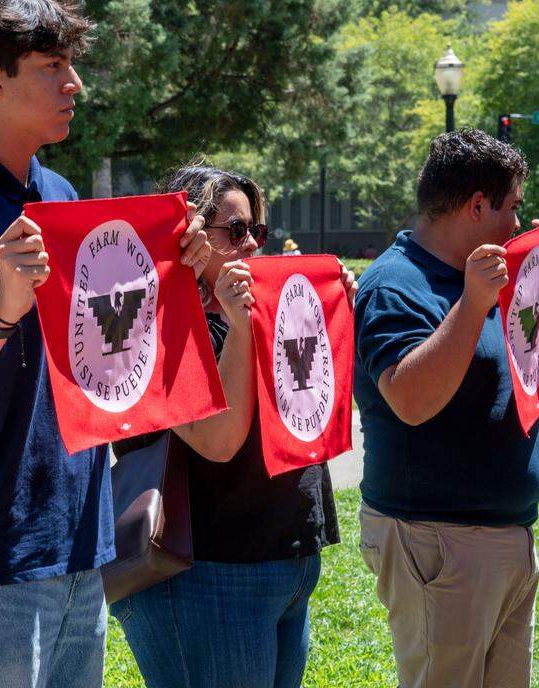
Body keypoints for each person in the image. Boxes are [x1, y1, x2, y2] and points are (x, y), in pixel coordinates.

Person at [0, 2, 210, 686]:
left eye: (72, 65)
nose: (75, 85)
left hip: (73, 547)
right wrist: (1, 310)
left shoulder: (57, 193)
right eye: (52, 66)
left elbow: (102, 357)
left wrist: (176, 274)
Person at [353, 128, 539, 688]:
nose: (516, 223)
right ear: (476, 205)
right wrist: (473, 301)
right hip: (439, 539)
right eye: (511, 209)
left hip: (502, 531)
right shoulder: (395, 284)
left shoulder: (490, 272)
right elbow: (409, 399)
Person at [109, 163, 357, 688]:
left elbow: (306, 405)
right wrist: (241, 328)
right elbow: (219, 442)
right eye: (236, 230)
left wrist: (327, 312)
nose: (251, 245)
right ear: (188, 233)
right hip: (207, 571)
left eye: (257, 232)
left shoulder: (254, 308)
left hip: (285, 557)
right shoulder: (154, 323)